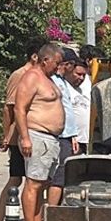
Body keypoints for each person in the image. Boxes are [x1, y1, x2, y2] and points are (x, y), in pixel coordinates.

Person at [0, 37, 47, 221]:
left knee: (34, 180)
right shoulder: (20, 75)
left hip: (33, 136)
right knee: (15, 180)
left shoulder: (37, 76)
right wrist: (7, 136)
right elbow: (10, 108)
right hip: (18, 138)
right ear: (34, 56)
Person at [14, 42, 65, 221]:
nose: (59, 67)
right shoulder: (32, 78)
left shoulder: (47, 78)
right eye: (57, 63)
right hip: (37, 136)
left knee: (43, 183)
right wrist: (25, 137)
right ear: (45, 60)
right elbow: (19, 109)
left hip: (50, 140)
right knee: (33, 184)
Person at [47, 48, 84, 207]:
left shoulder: (62, 81)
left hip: (68, 136)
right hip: (59, 136)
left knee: (63, 176)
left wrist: (73, 134)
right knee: (58, 177)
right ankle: (51, 213)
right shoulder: (52, 80)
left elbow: (68, 110)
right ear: (66, 64)